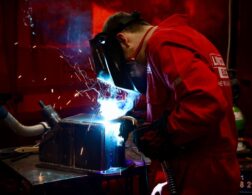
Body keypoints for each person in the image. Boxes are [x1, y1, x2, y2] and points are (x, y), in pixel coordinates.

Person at [94, 11, 241, 194]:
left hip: (200, 174)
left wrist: (163, 134)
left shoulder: (162, 44)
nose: (131, 67)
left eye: (126, 62)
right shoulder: (180, 37)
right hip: (208, 167)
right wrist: (139, 118)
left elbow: (206, 101)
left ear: (123, 40)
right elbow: (175, 97)